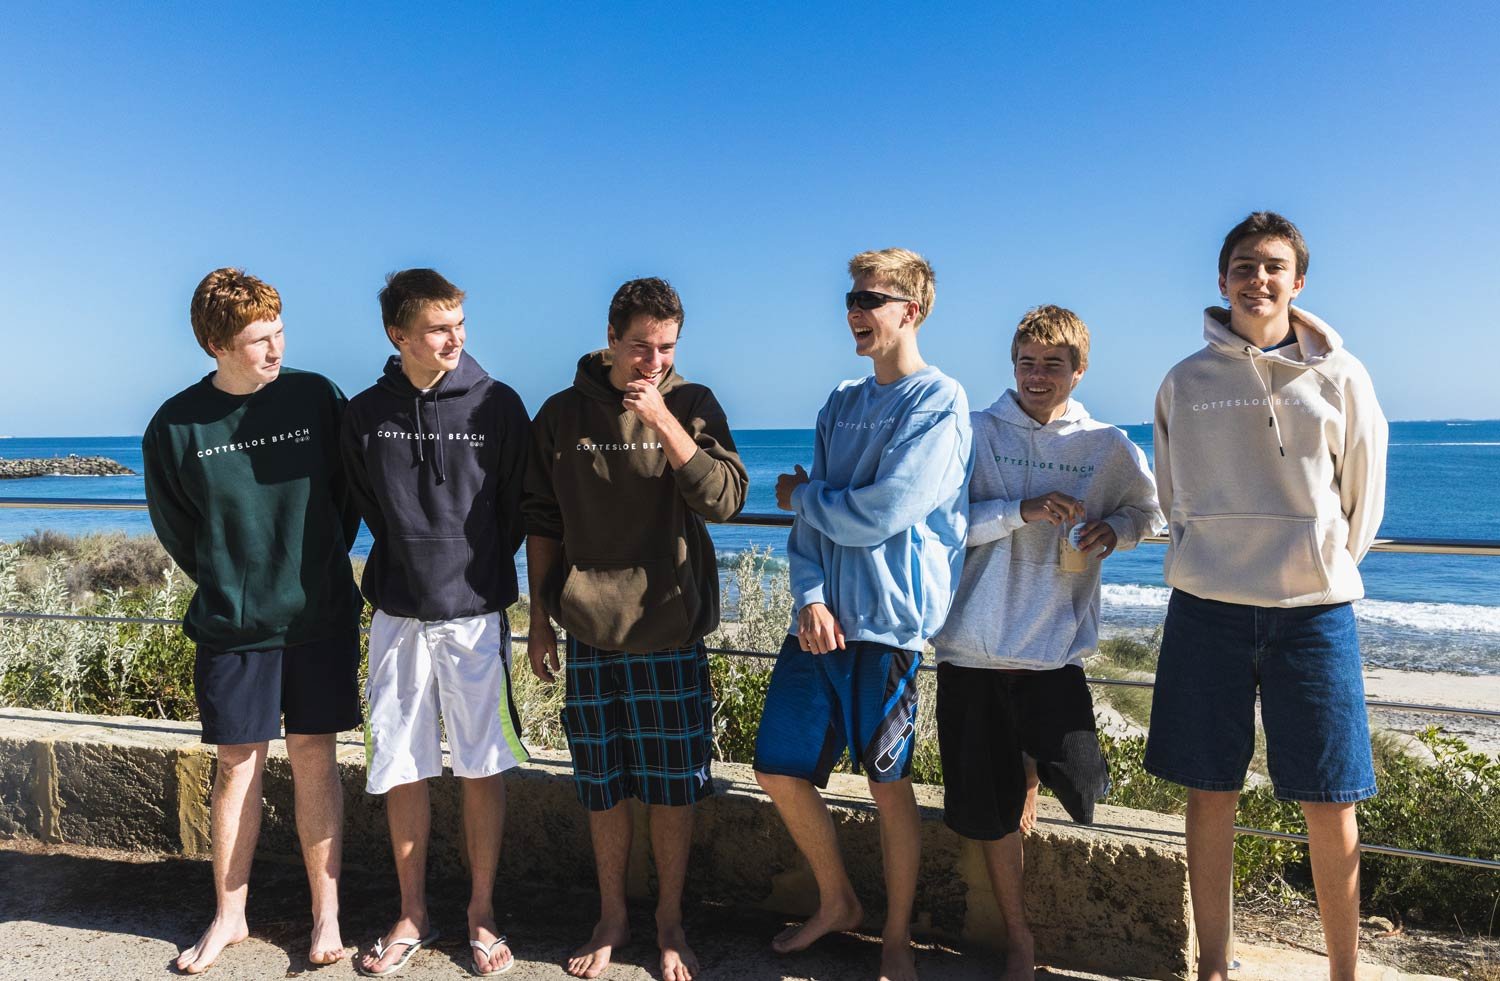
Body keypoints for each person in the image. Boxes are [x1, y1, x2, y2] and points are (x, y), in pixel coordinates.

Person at [1144, 212, 1388, 981]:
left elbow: (1365, 498)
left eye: (1274, 266)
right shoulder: (1185, 380)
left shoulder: (1343, 376)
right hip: (1207, 609)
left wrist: (1317, 565)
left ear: (1299, 281)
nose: (1259, 278)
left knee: (1332, 800)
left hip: (1314, 615)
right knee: (1209, 791)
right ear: (1222, 280)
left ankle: (1343, 973)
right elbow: (1173, 492)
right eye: (1245, 265)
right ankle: (1212, 964)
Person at [753, 248, 972, 981]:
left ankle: (897, 937)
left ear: (911, 310)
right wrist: (809, 596)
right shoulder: (839, 403)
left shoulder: (938, 401)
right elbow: (814, 529)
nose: (854, 310)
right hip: (820, 623)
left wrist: (802, 496)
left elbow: (884, 512)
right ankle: (838, 899)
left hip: (889, 626)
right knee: (778, 768)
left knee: (888, 784)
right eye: (850, 297)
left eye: (869, 298)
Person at [523, 277, 748, 981]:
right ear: (612, 338)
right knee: (603, 784)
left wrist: (666, 424)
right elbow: (541, 519)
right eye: (641, 346)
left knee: (675, 786)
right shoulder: (561, 413)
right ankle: (613, 914)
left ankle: (670, 921)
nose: (654, 360)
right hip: (590, 628)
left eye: (668, 347)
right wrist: (538, 618)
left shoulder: (693, 403)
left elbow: (725, 500)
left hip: (670, 626)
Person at [931, 304, 1162, 980]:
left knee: (1085, 785)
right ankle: (1019, 937)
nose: (1036, 375)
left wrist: (1114, 530)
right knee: (992, 816)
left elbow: (1149, 510)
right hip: (972, 648)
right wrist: (1020, 511)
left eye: (1051, 364)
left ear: (1078, 370)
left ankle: (1033, 764)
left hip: (1054, 649)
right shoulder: (972, 431)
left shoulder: (1107, 445)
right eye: (1026, 362)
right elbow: (940, 524)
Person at [142, 268, 362, 973]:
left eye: (280, 333)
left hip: (318, 614)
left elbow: (345, 497)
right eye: (258, 340)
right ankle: (230, 915)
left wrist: (316, 564)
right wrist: (234, 579)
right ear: (216, 344)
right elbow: (180, 530)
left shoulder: (316, 395)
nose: (275, 349)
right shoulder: (176, 426)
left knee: (315, 760)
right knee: (237, 768)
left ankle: (326, 917)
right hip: (234, 624)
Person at [341, 269, 531, 977]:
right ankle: (411, 913)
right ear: (398, 334)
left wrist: (474, 569)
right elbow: (365, 504)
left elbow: (517, 507)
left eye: (460, 323)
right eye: (438, 327)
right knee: (402, 766)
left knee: (483, 765)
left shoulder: (499, 404)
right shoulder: (364, 415)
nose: (455, 338)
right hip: (395, 614)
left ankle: (482, 912)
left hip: (477, 616)